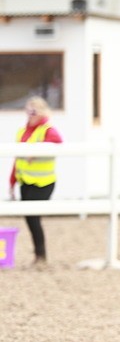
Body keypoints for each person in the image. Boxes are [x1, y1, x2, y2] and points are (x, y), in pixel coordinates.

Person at [9, 97, 62, 266]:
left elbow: (57, 142)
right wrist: (12, 181)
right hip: (26, 181)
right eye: (28, 111)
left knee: (33, 217)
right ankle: (39, 255)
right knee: (29, 218)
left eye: (33, 111)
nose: (30, 115)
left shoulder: (48, 130)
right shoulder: (22, 132)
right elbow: (17, 159)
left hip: (43, 182)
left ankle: (41, 255)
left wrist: (36, 152)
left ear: (41, 112)